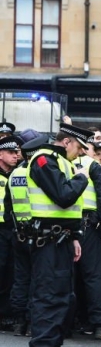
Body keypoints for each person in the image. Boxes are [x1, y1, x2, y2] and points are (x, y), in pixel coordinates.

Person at [26, 123, 92, 347]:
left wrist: (74, 236)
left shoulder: (64, 162)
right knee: (48, 296)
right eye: (80, 147)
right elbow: (63, 197)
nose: (82, 152)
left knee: (63, 297)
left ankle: (53, 345)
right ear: (67, 142)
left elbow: (67, 210)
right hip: (48, 240)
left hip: (62, 238)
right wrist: (82, 178)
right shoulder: (44, 160)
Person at [72, 134, 101, 340]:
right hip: (88, 226)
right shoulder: (92, 166)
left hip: (64, 226)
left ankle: (67, 323)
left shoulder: (62, 163)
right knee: (95, 276)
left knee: (65, 276)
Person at [7, 133, 49, 337]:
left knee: (21, 278)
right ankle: (33, 322)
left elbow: (8, 209)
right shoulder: (39, 172)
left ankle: (18, 321)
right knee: (37, 280)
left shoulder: (14, 174)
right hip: (39, 234)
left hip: (18, 233)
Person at [0, 136, 22, 327]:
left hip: (11, 229)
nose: (16, 156)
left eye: (17, 152)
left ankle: (5, 313)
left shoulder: (18, 175)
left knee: (10, 273)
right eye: (11, 153)